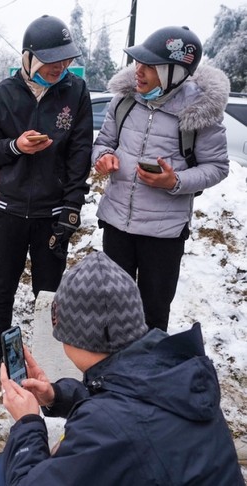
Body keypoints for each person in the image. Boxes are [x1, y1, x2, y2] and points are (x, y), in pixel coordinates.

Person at [0, 251, 244, 486]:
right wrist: (56, 396)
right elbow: (130, 405)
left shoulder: (107, 426)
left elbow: (118, 421)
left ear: (75, 335)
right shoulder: (173, 363)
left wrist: (27, 423)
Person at [0, 15, 92, 387]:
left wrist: (72, 206)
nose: (60, 67)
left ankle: (47, 353)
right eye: (51, 60)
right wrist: (16, 146)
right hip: (10, 209)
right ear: (28, 58)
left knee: (49, 290)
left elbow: (79, 152)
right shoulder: (2, 94)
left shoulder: (76, 91)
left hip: (52, 212)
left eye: (65, 60)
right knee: (3, 286)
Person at [93, 26, 230, 332]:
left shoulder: (200, 113)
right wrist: (102, 158)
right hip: (117, 224)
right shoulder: (124, 101)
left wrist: (175, 182)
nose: (137, 72)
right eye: (138, 63)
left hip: (163, 235)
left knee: (153, 314)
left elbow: (218, 167)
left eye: (149, 66)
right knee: (114, 306)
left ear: (174, 73)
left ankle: (146, 375)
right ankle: (112, 374)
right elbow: (103, 142)